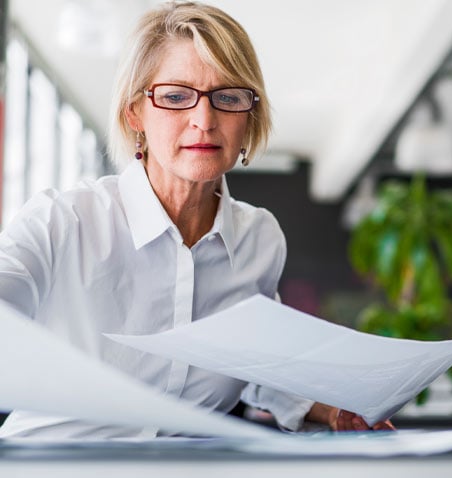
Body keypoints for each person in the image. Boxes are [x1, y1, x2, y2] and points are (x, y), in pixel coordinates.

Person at [0, 1, 393, 438]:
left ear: (249, 116)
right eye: (175, 97)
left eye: (227, 97)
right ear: (135, 114)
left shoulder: (258, 240)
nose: (204, 121)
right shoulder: (62, 221)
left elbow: (253, 361)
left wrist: (329, 408)